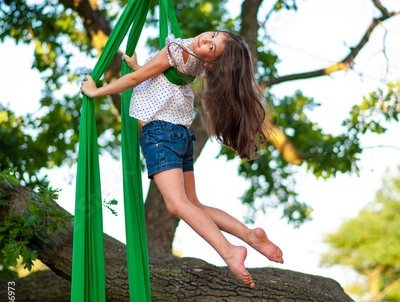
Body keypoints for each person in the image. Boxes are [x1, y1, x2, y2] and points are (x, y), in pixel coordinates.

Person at [81, 31, 284, 288]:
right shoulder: (195, 61)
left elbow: (134, 80)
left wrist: (96, 91)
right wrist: (140, 65)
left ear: (211, 63)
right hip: (181, 136)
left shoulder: (177, 51)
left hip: (160, 135)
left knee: (177, 205)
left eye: (212, 47)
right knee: (194, 204)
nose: (205, 42)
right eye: (212, 36)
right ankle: (250, 235)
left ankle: (230, 251)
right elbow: (161, 81)